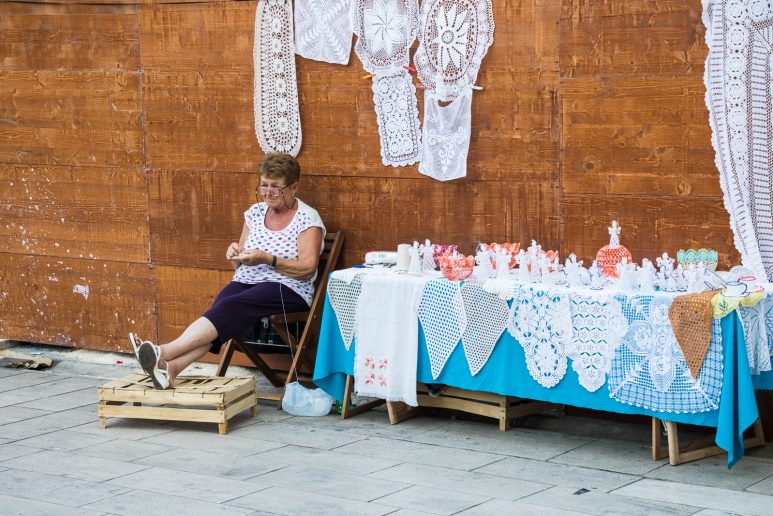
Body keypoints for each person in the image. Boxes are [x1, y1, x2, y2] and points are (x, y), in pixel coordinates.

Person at [129, 153, 325, 389]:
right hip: (248, 281)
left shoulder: (307, 218)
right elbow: (239, 262)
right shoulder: (254, 213)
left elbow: (307, 268)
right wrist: (234, 253)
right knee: (221, 309)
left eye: (276, 187)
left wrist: (267, 259)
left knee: (230, 308)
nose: (268, 192)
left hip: (288, 288)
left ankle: (164, 352)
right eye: (264, 185)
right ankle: (171, 370)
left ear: (294, 187)